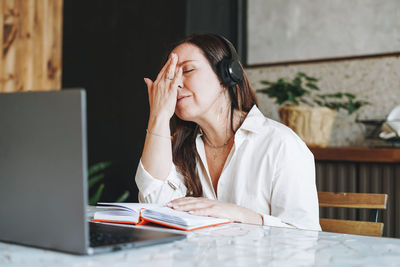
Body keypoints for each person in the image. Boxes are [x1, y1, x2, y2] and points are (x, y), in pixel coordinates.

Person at [135, 33, 321, 231]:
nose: (175, 84)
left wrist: (239, 214)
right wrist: (159, 116)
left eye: (188, 70)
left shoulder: (281, 145)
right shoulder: (175, 146)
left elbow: (306, 237)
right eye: (170, 76)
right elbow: (154, 205)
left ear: (227, 75)